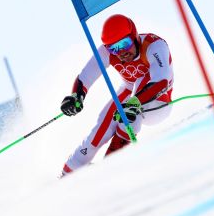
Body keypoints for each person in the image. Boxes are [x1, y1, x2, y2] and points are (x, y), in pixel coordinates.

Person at [60, 14, 174, 176]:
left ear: (134, 36)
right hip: (130, 93)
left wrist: (136, 101)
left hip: (158, 102)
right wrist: (76, 96)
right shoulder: (107, 53)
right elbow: (85, 77)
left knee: (135, 95)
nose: (121, 52)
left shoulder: (154, 45)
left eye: (124, 44)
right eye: (113, 48)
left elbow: (162, 80)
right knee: (103, 125)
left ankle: (111, 166)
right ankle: (68, 173)